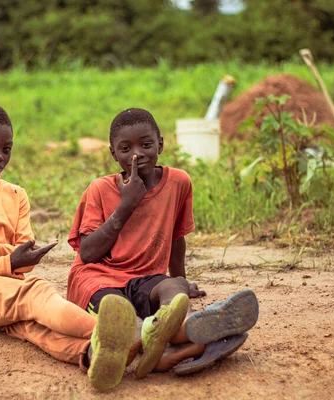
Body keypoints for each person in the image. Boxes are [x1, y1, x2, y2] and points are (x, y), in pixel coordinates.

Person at [0, 102, 137, 392]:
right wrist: (3, 260)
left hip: (7, 288)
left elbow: (24, 260)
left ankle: (90, 354)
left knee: (31, 327)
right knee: (34, 293)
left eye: (6, 149)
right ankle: (119, 337)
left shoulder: (15, 195)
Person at [66, 108, 259, 376]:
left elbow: (177, 240)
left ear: (161, 144)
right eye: (126, 148)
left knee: (172, 289)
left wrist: (181, 282)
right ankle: (174, 347)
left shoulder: (178, 182)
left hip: (145, 278)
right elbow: (87, 253)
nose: (137, 154)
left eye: (146, 145)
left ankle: (186, 329)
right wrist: (127, 204)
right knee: (120, 318)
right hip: (97, 279)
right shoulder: (100, 189)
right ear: (113, 153)